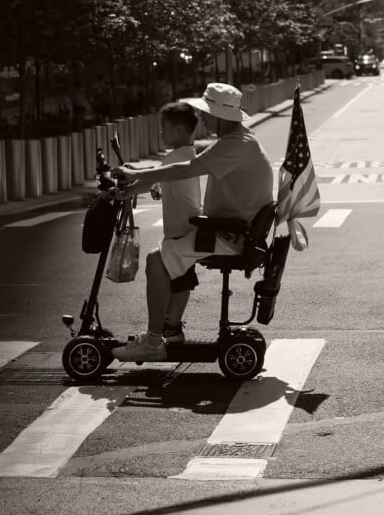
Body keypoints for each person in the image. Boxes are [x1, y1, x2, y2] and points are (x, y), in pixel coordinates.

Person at [110, 83, 274, 361]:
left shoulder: (234, 145)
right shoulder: (240, 141)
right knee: (162, 257)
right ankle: (170, 330)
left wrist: (134, 171)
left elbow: (185, 168)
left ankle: (153, 341)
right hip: (228, 231)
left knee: (156, 261)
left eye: (208, 114)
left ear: (222, 116)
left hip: (227, 235)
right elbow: (180, 169)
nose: (204, 120)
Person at [107, 102, 202, 347]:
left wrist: (125, 189)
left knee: (157, 264)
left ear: (180, 130)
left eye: (164, 127)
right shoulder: (184, 155)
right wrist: (133, 182)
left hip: (181, 231)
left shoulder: (178, 157)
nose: (161, 133)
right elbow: (157, 177)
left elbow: (154, 176)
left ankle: (155, 335)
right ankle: (172, 329)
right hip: (184, 229)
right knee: (181, 280)